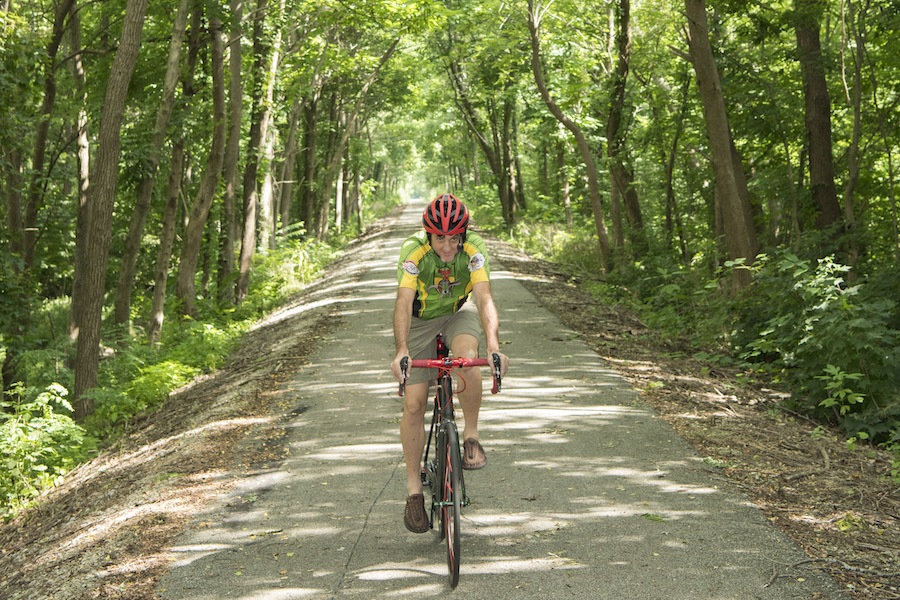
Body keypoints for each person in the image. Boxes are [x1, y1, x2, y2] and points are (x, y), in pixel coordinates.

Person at [390, 193, 509, 533]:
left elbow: (484, 296)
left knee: (467, 361)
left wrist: (495, 346)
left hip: (458, 312)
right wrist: (401, 350)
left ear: (463, 234)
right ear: (428, 234)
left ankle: (470, 436)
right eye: (439, 237)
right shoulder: (414, 251)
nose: (446, 245)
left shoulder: (473, 248)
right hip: (420, 320)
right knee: (413, 404)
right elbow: (403, 300)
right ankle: (414, 490)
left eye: (453, 237)